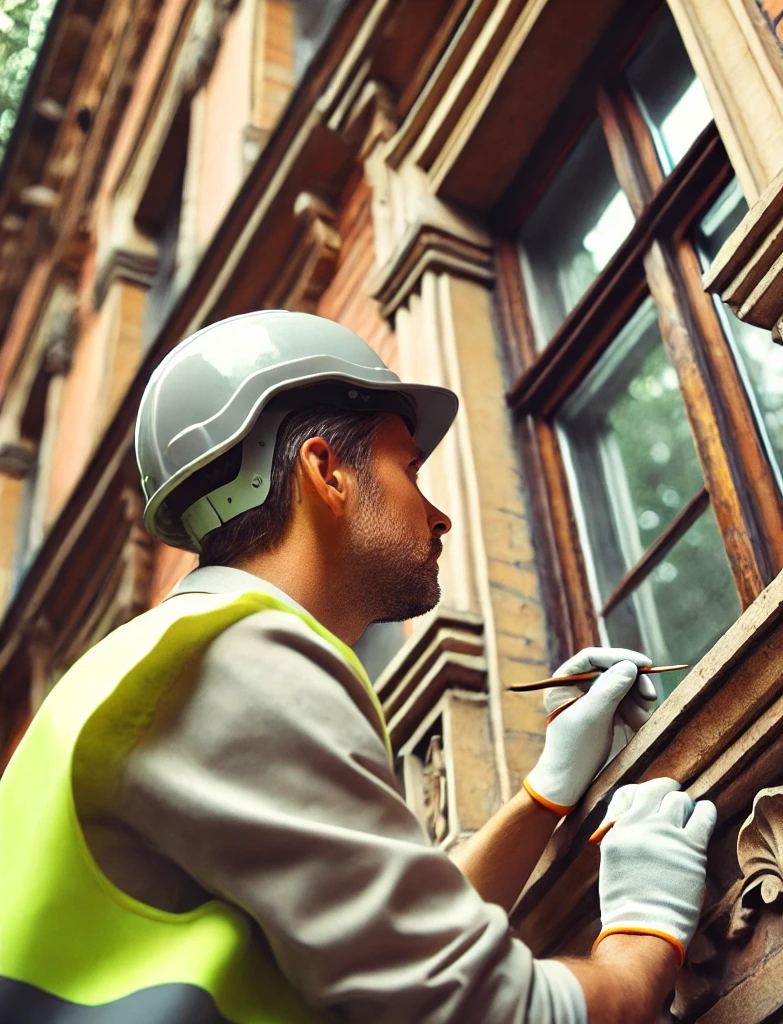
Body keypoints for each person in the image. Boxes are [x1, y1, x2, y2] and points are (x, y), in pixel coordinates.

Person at [0, 311, 716, 1024]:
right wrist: (642, 938)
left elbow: (393, 951)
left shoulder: (164, 664)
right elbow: (473, 1005)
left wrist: (542, 799)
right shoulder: (239, 657)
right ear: (325, 471)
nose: (441, 516)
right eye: (409, 469)